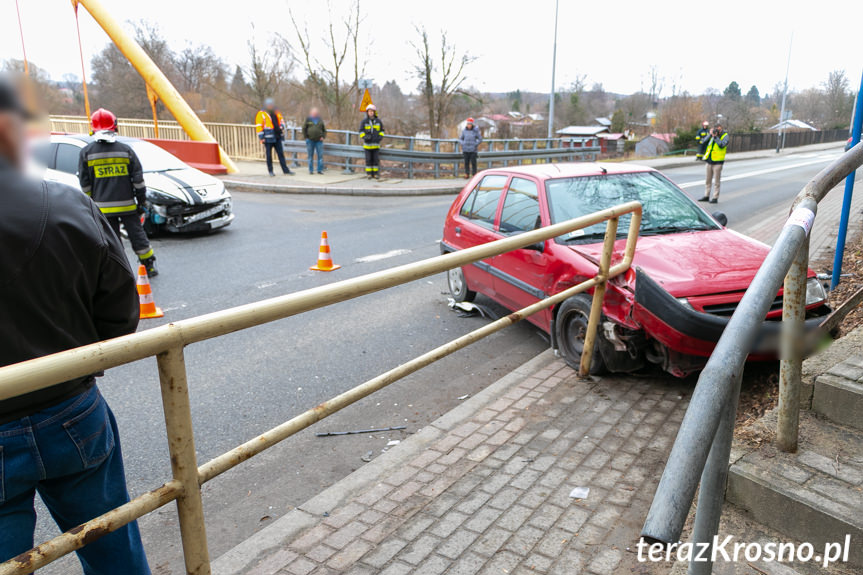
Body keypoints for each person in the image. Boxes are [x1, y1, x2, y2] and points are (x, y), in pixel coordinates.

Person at [0, 76, 150, 574]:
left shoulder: (87, 163)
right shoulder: (67, 205)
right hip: (70, 409)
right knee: (114, 549)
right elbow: (119, 317)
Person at [78, 108, 158, 277]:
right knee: (138, 236)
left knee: (112, 241)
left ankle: (120, 271)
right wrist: (141, 202)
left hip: (102, 209)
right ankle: (149, 266)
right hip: (127, 205)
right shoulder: (126, 150)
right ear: (114, 126)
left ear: (93, 128)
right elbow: (138, 181)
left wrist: (90, 205)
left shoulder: (86, 153)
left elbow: (85, 185)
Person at [255, 98, 294, 176]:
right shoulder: (261, 113)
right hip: (268, 138)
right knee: (269, 155)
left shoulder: (276, 112)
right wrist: (261, 137)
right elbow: (259, 126)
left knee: (281, 154)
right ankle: (271, 171)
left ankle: (285, 170)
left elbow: (282, 121)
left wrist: (282, 126)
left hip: (277, 136)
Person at [699, 123, 729, 204]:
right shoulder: (711, 135)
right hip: (709, 161)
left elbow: (722, 145)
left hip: (718, 162)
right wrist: (710, 135)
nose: (716, 130)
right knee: (707, 180)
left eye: (718, 129)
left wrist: (715, 137)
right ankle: (706, 196)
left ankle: (715, 197)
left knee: (716, 181)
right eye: (715, 129)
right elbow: (703, 142)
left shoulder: (725, 135)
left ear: (721, 128)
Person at [359, 104, 385, 179]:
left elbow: (382, 131)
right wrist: (364, 137)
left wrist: (380, 137)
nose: (371, 113)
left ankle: (376, 174)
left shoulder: (378, 121)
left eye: (372, 111)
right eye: (369, 111)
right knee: (368, 160)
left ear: (374, 112)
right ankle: (369, 174)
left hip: (376, 145)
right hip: (367, 145)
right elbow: (361, 131)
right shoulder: (364, 121)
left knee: (375, 160)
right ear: (367, 112)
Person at [302, 107, 327, 174]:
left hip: (319, 141)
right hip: (310, 140)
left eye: (315, 113)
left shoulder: (320, 119)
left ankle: (319, 170)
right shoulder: (308, 119)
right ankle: (311, 170)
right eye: (313, 113)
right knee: (310, 156)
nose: (314, 114)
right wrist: (306, 137)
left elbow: (324, 130)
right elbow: (304, 128)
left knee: (320, 156)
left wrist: (323, 136)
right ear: (311, 113)